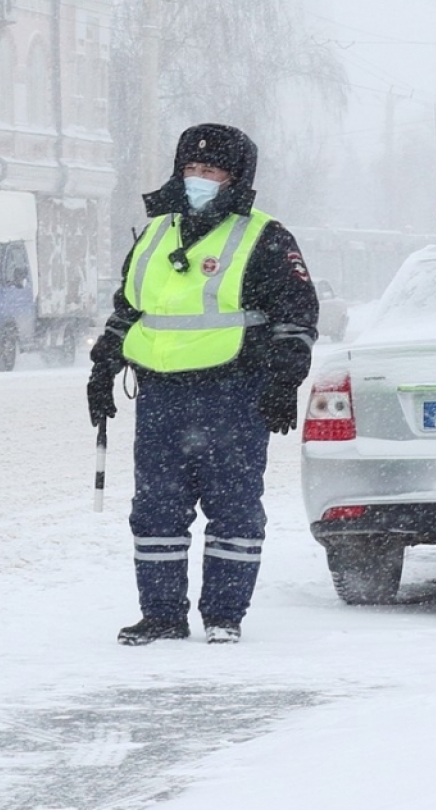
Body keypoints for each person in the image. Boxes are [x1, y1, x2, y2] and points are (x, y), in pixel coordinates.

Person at [87, 124, 319, 646]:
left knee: (233, 506)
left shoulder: (265, 237)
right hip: (161, 394)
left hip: (234, 391)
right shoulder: (155, 233)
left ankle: (223, 616)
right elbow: (130, 308)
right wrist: (104, 365)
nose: (198, 179)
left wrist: (284, 380)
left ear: (235, 179)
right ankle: (163, 615)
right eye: (190, 169)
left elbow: (297, 316)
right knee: (155, 509)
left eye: (211, 171)